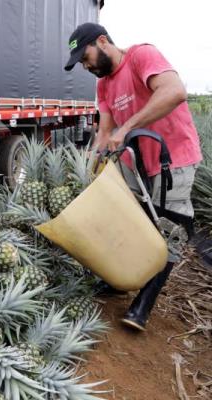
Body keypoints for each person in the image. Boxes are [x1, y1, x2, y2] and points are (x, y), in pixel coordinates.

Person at [64, 23, 202, 331]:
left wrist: (126, 129)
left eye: (85, 57)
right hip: (135, 161)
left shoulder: (142, 56)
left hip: (173, 158)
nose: (85, 66)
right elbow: (103, 133)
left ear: (102, 41)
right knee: (126, 221)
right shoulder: (103, 84)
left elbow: (175, 92)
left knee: (169, 229)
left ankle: (143, 306)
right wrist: (89, 164)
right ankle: (118, 280)